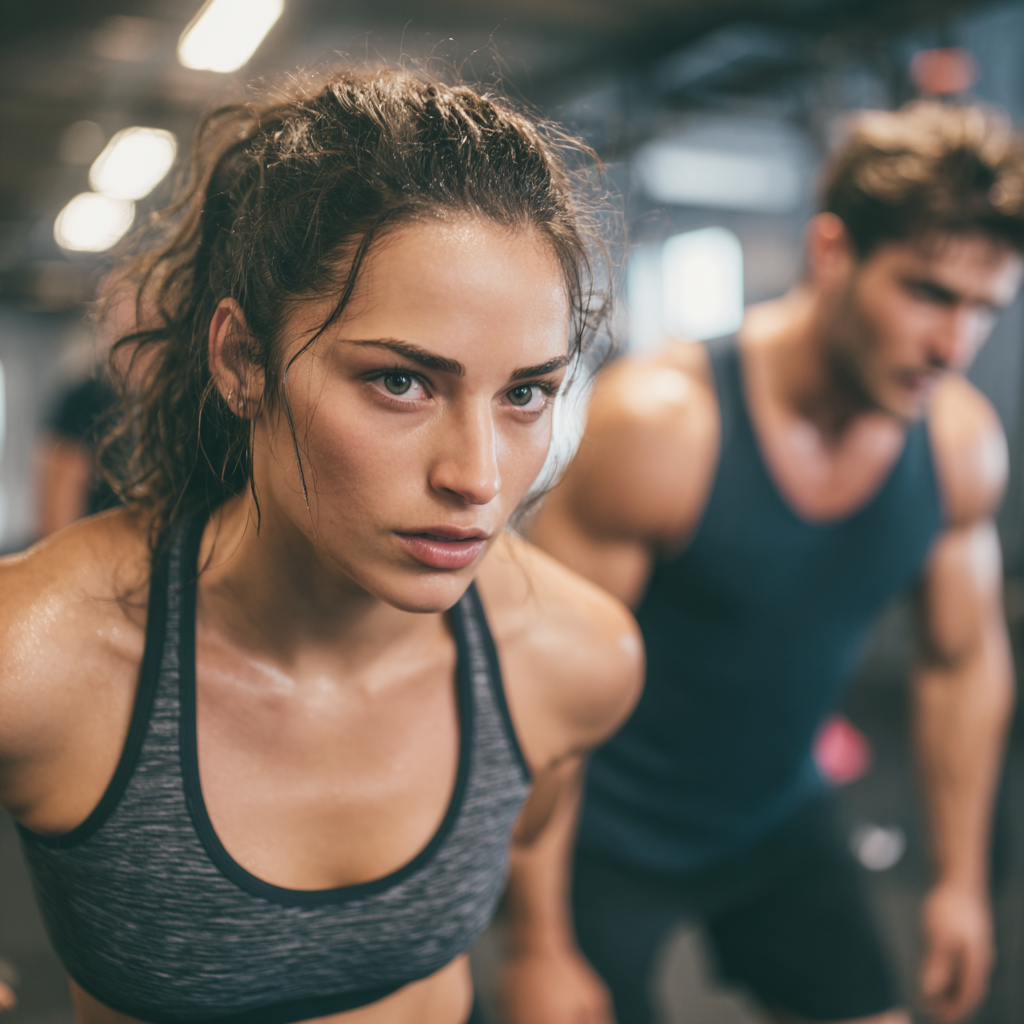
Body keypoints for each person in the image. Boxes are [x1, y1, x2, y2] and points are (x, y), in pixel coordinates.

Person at [0, 69, 642, 1024]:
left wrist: (544, 944)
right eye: (401, 383)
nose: (478, 477)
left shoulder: (574, 657)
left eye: (524, 394)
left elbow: (532, 820)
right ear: (242, 360)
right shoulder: (42, 659)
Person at [502, 101, 1024, 1024]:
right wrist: (537, 941)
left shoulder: (958, 448)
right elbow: (541, 687)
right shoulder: (660, 427)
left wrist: (958, 883)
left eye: (984, 308)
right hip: (605, 836)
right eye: (928, 293)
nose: (954, 345)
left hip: (775, 813)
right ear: (832, 252)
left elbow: (961, 663)